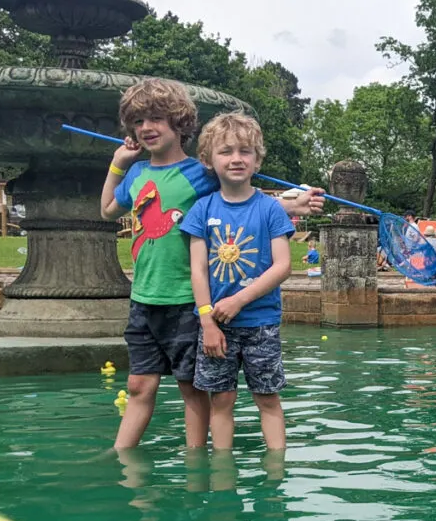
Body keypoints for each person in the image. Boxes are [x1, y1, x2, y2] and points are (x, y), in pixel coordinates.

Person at [100, 78, 323, 451]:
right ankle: (118, 455)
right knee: (139, 384)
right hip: (144, 297)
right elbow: (108, 210)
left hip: (189, 299)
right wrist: (118, 165)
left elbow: (238, 200)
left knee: (193, 388)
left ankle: (196, 460)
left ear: (180, 123)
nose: (146, 128)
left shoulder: (199, 174)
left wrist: (290, 206)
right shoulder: (138, 174)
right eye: (138, 122)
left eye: (156, 118)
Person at [181, 112, 294, 452]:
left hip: (261, 323)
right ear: (209, 160)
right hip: (216, 325)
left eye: (245, 151)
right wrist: (207, 321)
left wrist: (239, 300)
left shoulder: (272, 209)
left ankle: (276, 475)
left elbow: (283, 266)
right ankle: (221, 472)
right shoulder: (202, 209)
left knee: (268, 398)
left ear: (257, 160)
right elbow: (198, 270)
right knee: (222, 400)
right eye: (226, 151)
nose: (236, 159)